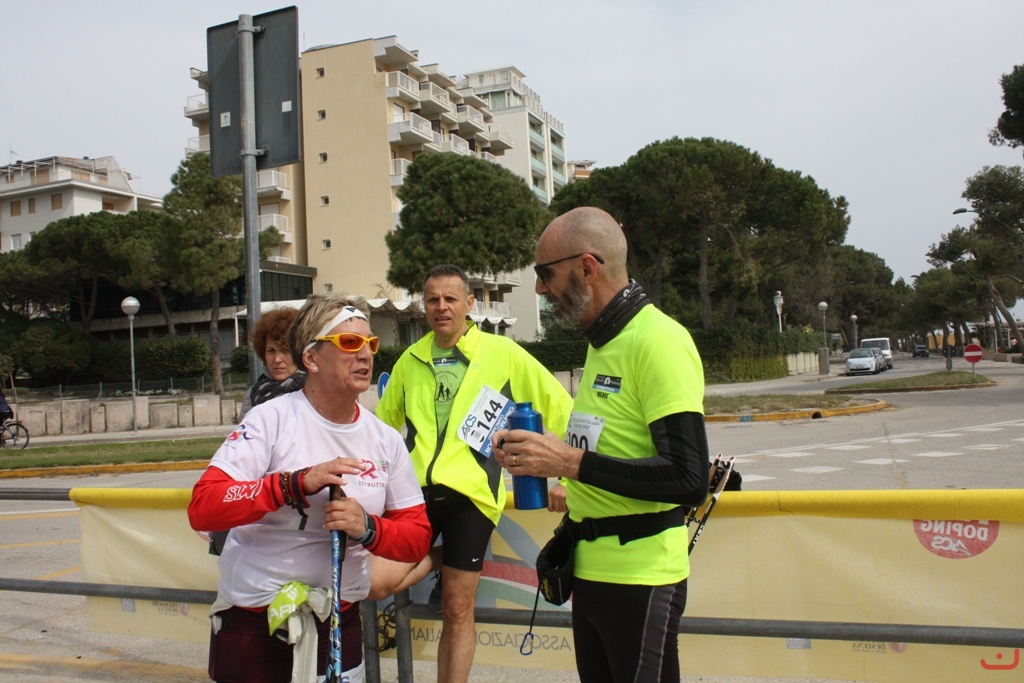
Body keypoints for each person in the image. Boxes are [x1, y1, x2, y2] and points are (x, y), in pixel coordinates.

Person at [492, 207, 711, 683]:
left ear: (587, 268)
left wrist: (569, 461)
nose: (539, 289)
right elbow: (609, 449)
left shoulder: (658, 341)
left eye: (545, 274)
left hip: (641, 575)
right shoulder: (601, 342)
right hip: (591, 571)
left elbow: (690, 478)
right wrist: (544, 455)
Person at [188, 294, 431, 683]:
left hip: (337, 621)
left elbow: (416, 537)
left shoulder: (384, 439)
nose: (365, 355)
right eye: (349, 343)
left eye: (370, 343)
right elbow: (204, 505)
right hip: (256, 622)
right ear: (312, 359)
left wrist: (368, 527)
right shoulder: (270, 419)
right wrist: (292, 484)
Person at [373, 264, 574, 683]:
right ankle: (448, 557)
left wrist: (568, 477)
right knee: (378, 581)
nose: (441, 307)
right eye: (432, 299)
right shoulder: (410, 360)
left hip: (472, 497)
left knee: (457, 608)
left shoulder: (503, 353)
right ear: (423, 306)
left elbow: (563, 410)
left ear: (469, 303)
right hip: (416, 495)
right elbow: (380, 432)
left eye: (450, 299)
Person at [238, 307, 306, 420]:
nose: (277, 359)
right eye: (271, 351)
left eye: (285, 350)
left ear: (299, 352)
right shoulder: (253, 394)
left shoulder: (312, 390)